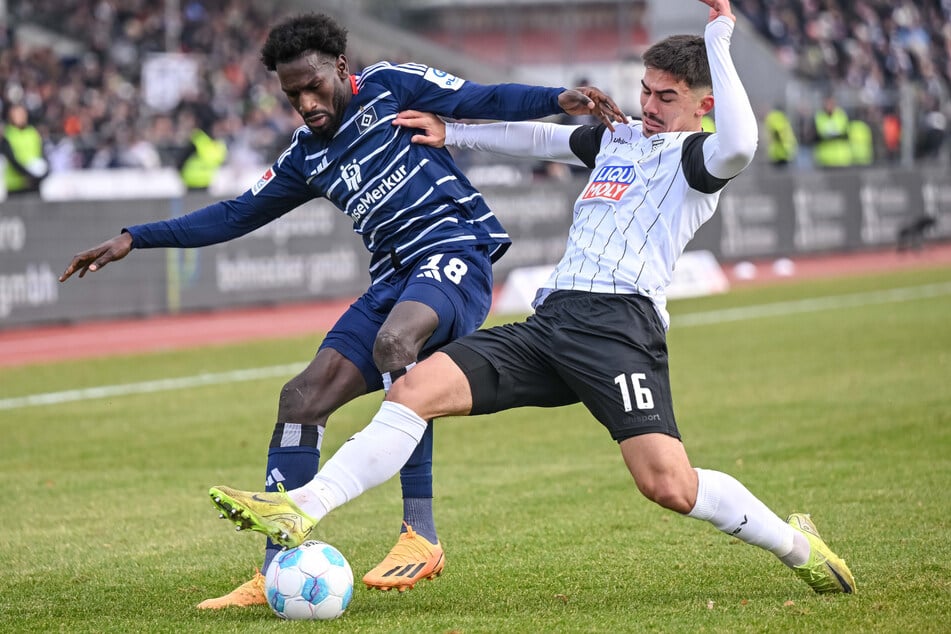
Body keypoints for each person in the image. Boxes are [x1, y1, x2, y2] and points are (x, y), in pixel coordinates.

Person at [205, 0, 856, 598]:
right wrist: (451, 130)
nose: (650, 105)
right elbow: (542, 139)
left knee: (668, 485)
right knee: (409, 390)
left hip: (617, 329)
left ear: (700, 106)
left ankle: (795, 544)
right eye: (644, 91)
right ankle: (300, 507)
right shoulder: (620, 138)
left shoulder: (697, 159)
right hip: (549, 324)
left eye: (667, 96)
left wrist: (720, 35)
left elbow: (741, 142)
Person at [58, 12, 624, 607]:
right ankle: (276, 566)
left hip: (456, 252)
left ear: (341, 69)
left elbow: (479, 96)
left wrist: (558, 99)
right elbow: (231, 215)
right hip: (393, 279)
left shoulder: (390, 86)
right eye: (291, 93)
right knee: (300, 399)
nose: (304, 102)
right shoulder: (306, 156)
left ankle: (419, 533)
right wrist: (134, 237)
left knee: (396, 346)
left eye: (312, 85)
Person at [2, 103, 49, 195]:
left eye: (22, 113)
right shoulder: (8, 135)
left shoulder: (33, 133)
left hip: (34, 184)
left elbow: (42, 154)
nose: (21, 116)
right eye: (17, 114)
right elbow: (12, 160)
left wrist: (42, 173)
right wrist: (29, 175)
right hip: (16, 185)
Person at [812, 94, 852, 168]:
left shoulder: (841, 115)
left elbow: (847, 134)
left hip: (841, 158)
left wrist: (831, 136)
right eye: (827, 103)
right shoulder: (818, 117)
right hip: (824, 159)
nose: (829, 106)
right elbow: (815, 137)